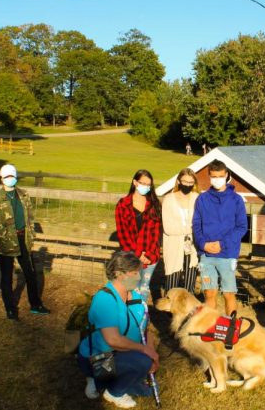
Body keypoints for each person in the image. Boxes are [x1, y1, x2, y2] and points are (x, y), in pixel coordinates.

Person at [77, 251, 159, 409]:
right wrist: (145, 351)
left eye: (138, 272)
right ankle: (111, 391)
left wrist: (152, 353)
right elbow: (113, 340)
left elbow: (146, 329)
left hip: (121, 354)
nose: (138, 277)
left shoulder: (135, 297)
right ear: (119, 274)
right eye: (134, 273)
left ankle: (102, 381)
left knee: (146, 391)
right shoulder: (104, 299)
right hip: (100, 356)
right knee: (142, 362)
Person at [0, 164, 50, 320]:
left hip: (23, 239)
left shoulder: (24, 195)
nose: (10, 179)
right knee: (7, 276)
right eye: (7, 177)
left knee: (30, 273)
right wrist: (6, 238)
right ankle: (10, 309)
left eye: (12, 176)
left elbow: (29, 218)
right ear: (1, 178)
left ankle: (36, 304)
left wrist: (30, 235)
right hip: (6, 241)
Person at [193, 159, 247, 315]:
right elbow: (196, 225)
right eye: (214, 176)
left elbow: (241, 227)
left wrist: (222, 244)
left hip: (227, 254)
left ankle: (231, 329)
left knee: (229, 293)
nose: (217, 179)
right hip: (206, 255)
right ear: (209, 177)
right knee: (209, 293)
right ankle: (210, 328)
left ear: (226, 175)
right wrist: (203, 244)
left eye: (220, 176)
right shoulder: (202, 199)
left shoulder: (236, 200)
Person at [115, 170, 162, 299]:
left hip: (150, 256)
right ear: (135, 182)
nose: (145, 187)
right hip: (130, 256)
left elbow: (156, 233)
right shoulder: (123, 205)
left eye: (149, 185)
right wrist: (136, 254)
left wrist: (148, 254)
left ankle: (141, 316)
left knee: (144, 289)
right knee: (130, 288)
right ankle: (129, 317)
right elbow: (123, 233)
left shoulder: (154, 204)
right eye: (143, 183)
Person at [161, 168, 200, 292]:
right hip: (173, 245)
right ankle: (169, 310)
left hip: (192, 246)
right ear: (178, 181)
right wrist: (190, 228)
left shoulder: (197, 198)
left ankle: (188, 310)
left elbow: (201, 222)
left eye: (190, 182)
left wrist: (193, 230)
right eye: (184, 181)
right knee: (172, 281)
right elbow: (168, 228)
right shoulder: (168, 199)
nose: (187, 185)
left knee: (190, 282)